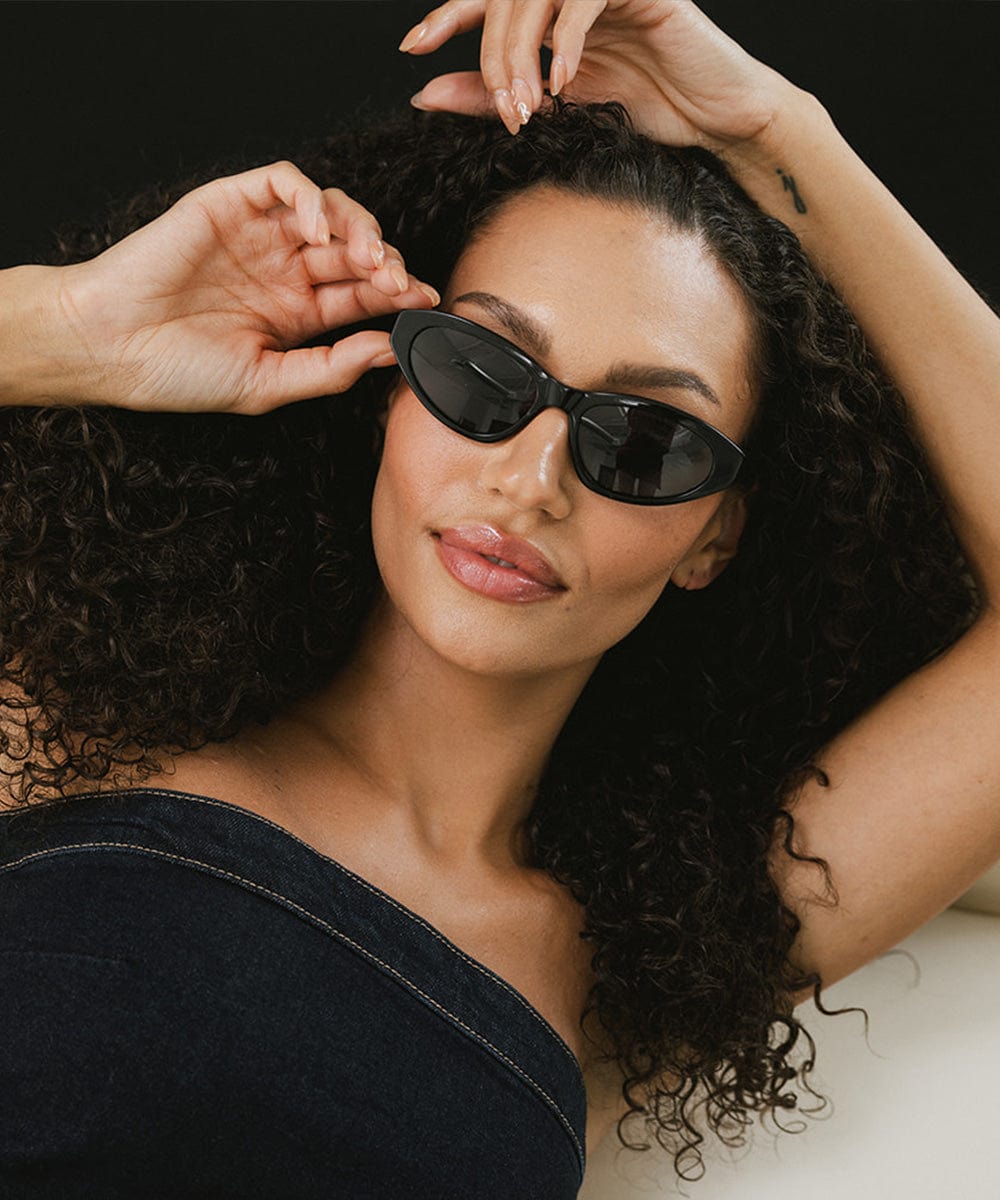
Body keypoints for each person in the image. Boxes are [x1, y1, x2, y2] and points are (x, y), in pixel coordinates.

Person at [0, 1, 996, 1195]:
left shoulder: (654, 956)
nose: (530, 482)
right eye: (482, 373)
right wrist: (69, 328)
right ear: (390, 390)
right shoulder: (53, 726)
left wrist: (779, 131)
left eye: (644, 442)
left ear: (714, 537)